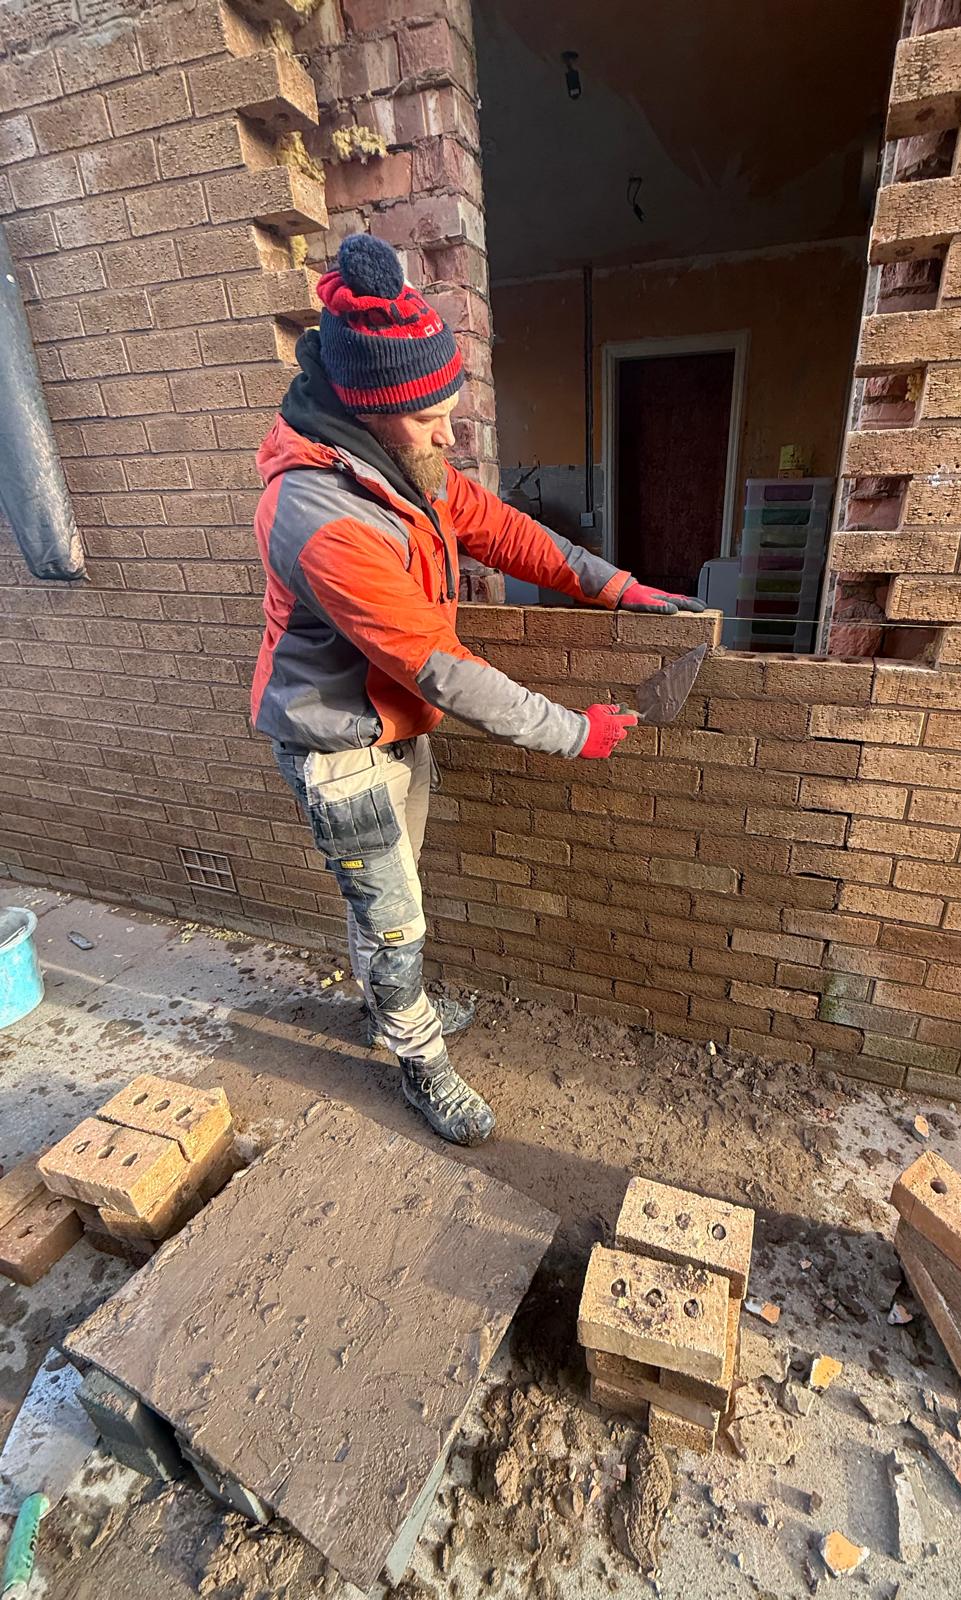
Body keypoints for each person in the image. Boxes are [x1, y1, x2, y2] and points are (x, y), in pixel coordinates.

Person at [250, 233, 704, 1148]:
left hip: (391, 727)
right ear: (375, 412)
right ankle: (420, 1064)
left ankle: (397, 1010)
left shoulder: (395, 469)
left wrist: (611, 584)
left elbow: (498, 526)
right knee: (391, 918)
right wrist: (575, 732)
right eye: (431, 422)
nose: (447, 438)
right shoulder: (320, 514)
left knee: (393, 896)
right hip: (338, 747)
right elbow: (440, 667)